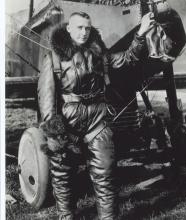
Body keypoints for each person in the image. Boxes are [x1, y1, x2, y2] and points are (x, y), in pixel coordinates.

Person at [38, 11, 154, 220]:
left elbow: (127, 59)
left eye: (87, 28)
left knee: (105, 175)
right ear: (69, 29)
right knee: (63, 176)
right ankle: (66, 216)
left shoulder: (99, 53)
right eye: (79, 27)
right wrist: (57, 133)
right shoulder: (53, 58)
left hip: (98, 120)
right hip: (67, 123)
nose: (84, 32)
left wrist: (141, 33)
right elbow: (46, 100)